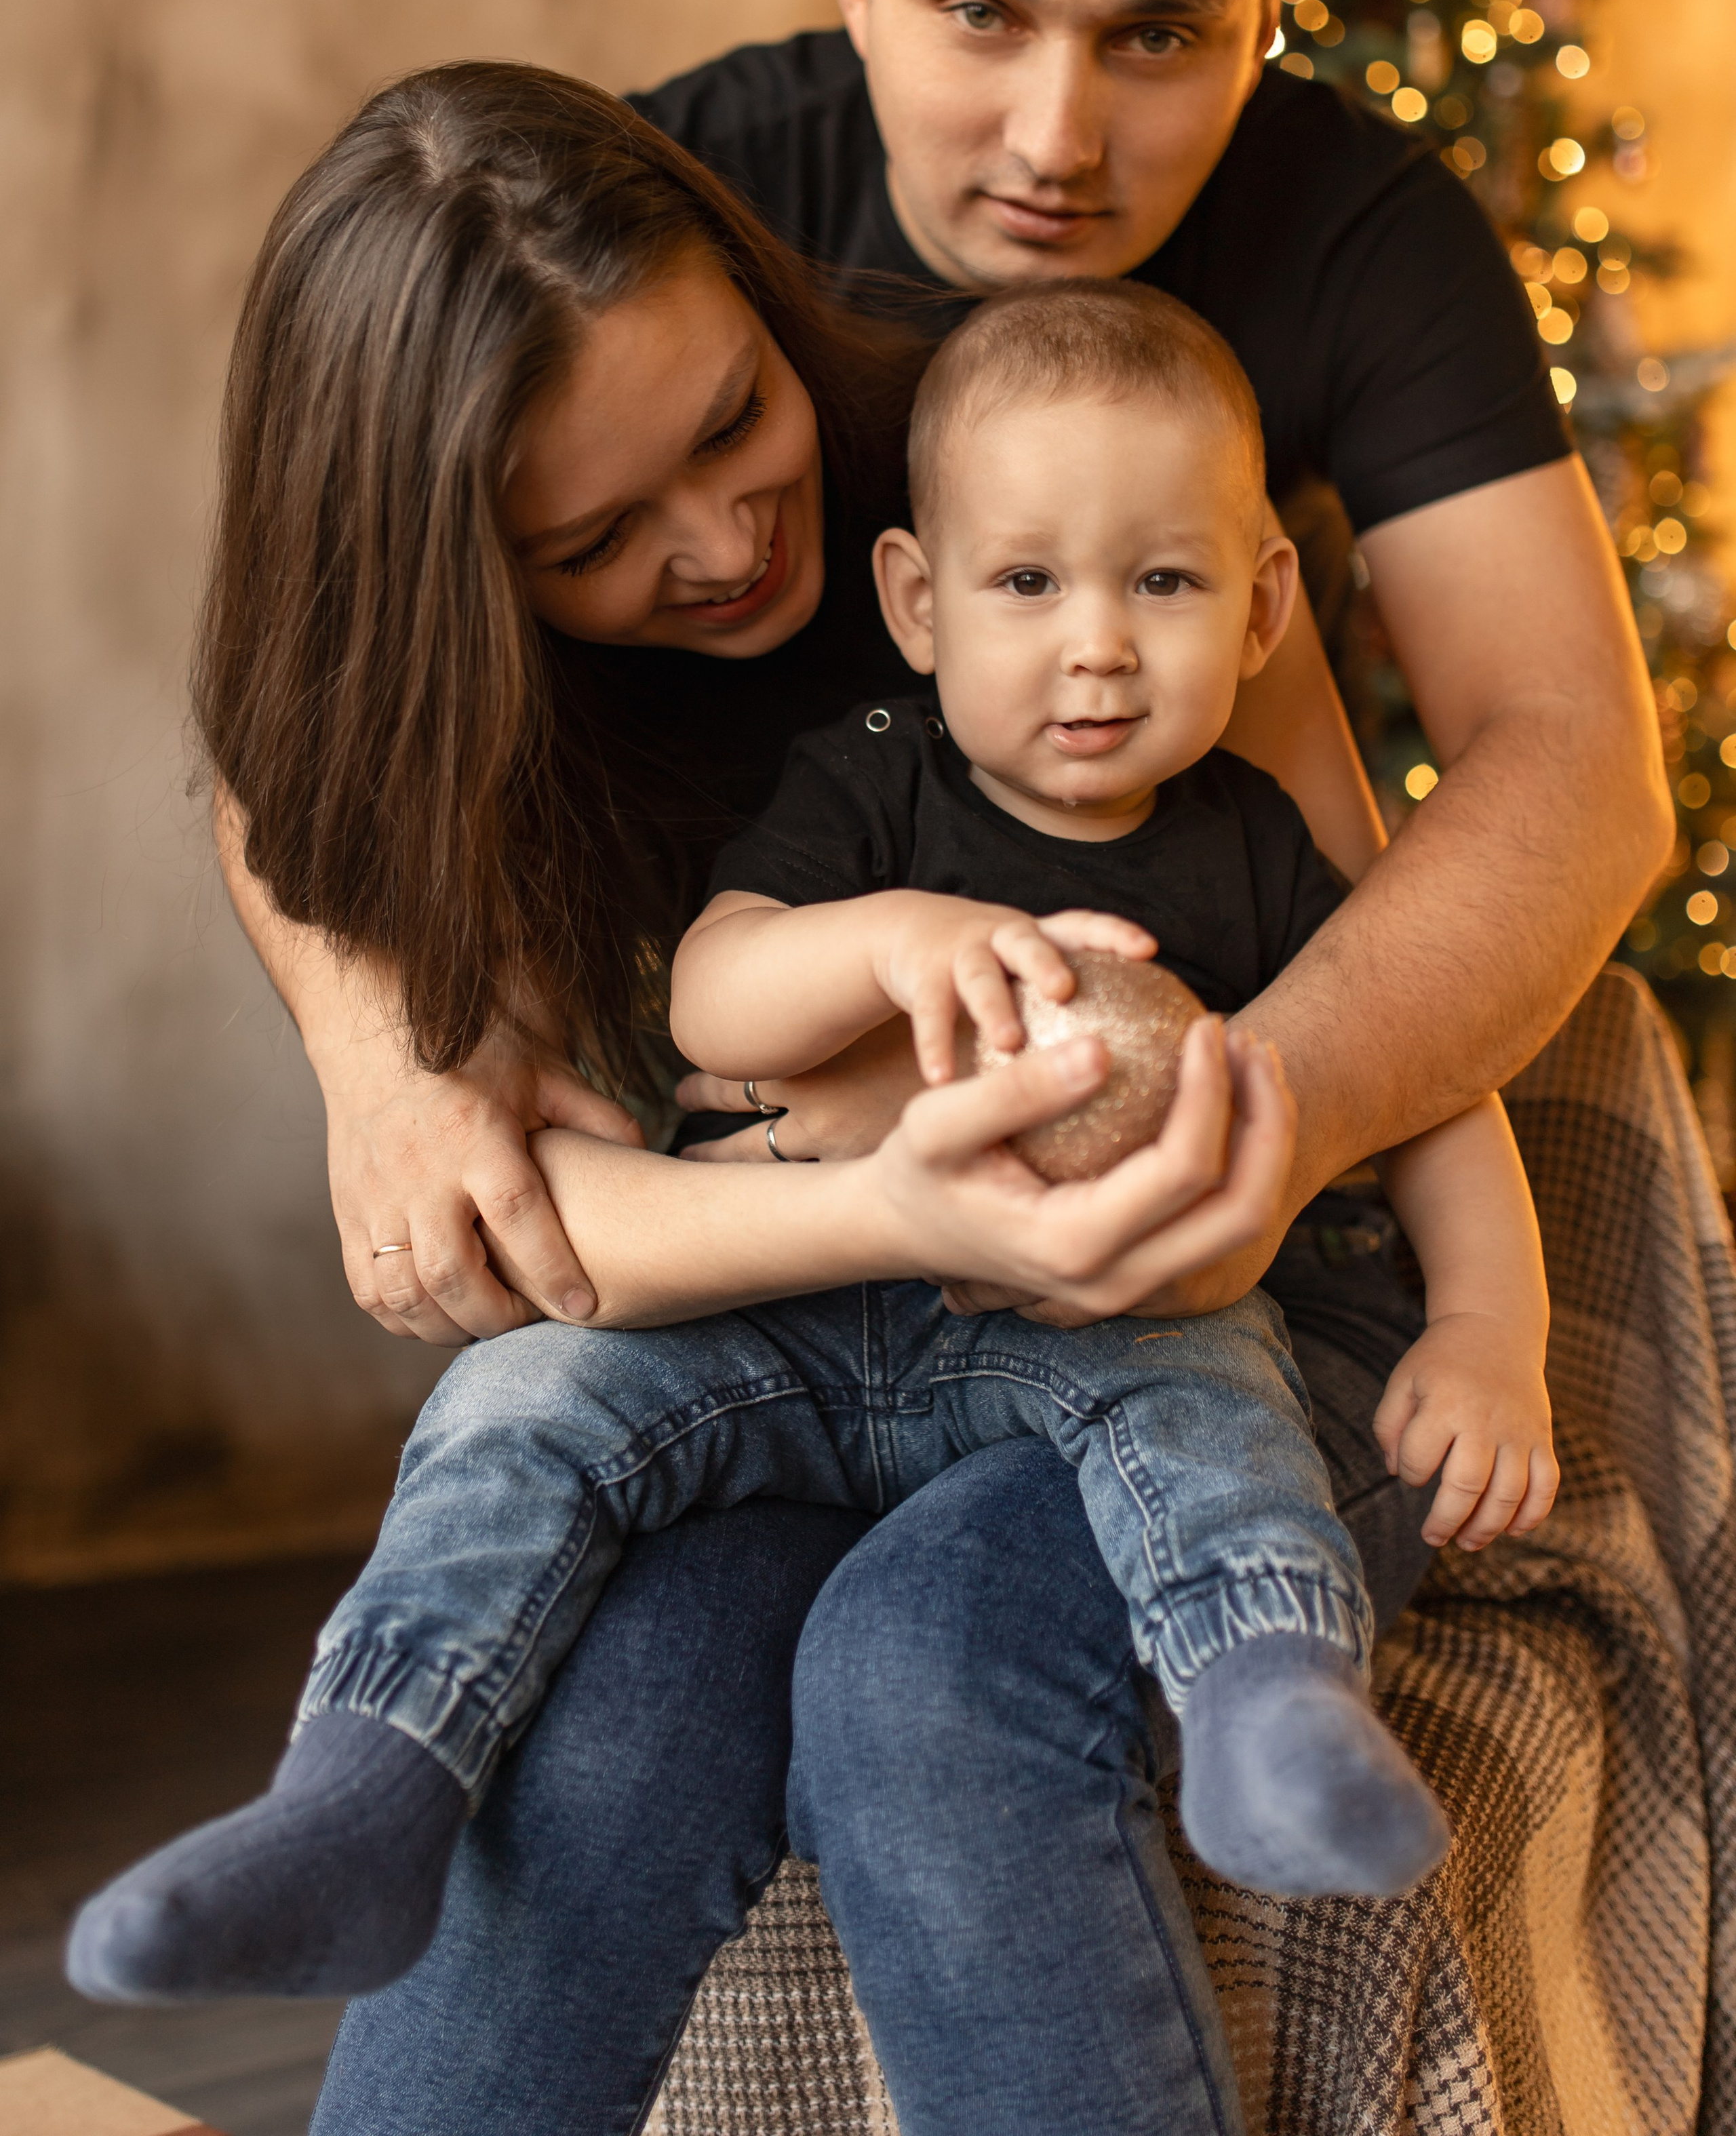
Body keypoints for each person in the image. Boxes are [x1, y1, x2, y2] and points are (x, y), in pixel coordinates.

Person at [129, 0, 1661, 2136]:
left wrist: (1235, 1131)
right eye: (598, 539)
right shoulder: (573, 300)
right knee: (615, 1706)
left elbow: (1495, 816)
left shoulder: (1134, 522)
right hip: (786, 1314)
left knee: (931, 1673)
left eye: (747, 437)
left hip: (1162, 1306)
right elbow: (322, 776)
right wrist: (378, 1065)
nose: (732, 540)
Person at [72, 283, 1566, 2009]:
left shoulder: (1254, 843)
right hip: (792, 1316)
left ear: (1259, 608)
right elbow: (712, 999)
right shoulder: (872, 774)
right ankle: (365, 1787)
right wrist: (890, 944)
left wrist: (1484, 1329)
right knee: (518, 1400)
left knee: (1218, 1400)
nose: (1095, 644)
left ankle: (1267, 1714)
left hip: (1094, 1325)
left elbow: (1429, 1083)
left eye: (1161, 581)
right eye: (1026, 583)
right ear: (917, 607)